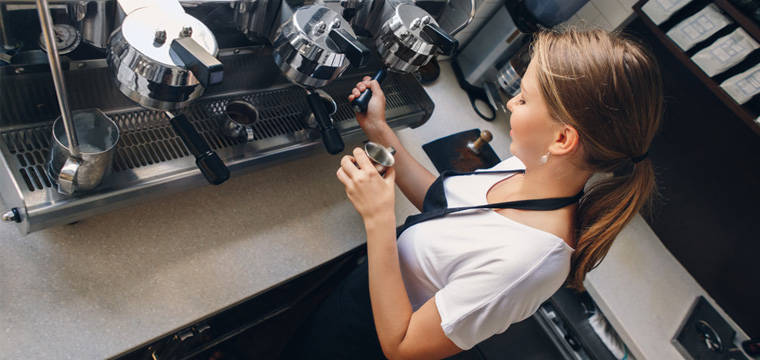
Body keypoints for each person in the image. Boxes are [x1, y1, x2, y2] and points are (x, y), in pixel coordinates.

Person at [281, 27, 663, 360]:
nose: (511, 103)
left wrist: (379, 217)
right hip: (360, 295)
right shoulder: (528, 168)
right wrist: (380, 130)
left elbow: (402, 347)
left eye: (524, 99)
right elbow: (446, 204)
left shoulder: (526, 264)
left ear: (562, 139)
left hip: (362, 343)